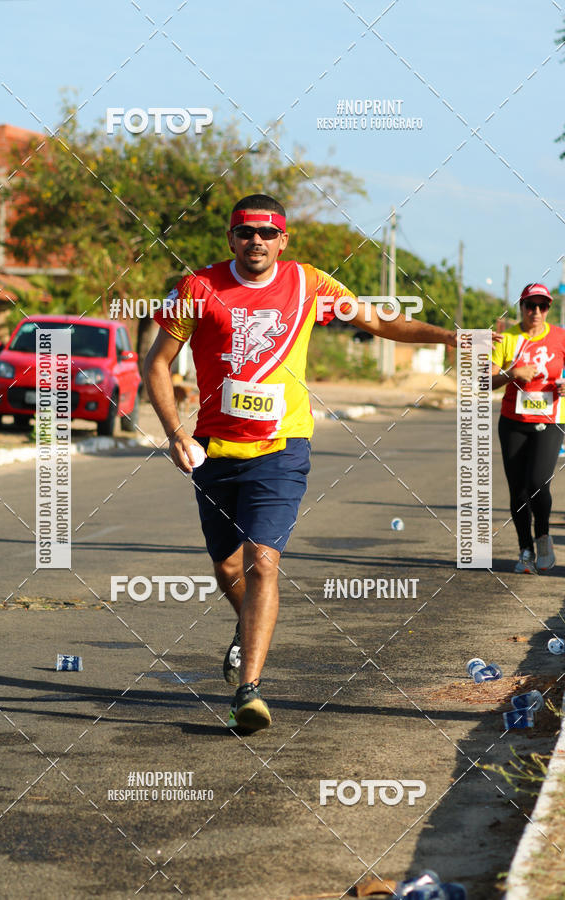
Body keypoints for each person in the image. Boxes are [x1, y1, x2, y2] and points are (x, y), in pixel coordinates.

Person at [144, 193, 457, 732]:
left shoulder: (309, 283)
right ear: (231, 238)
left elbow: (380, 322)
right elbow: (157, 363)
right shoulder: (198, 288)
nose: (256, 240)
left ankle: (249, 691)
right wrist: (175, 434)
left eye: (267, 232)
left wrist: (450, 336)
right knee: (227, 568)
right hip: (215, 448)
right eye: (246, 232)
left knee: (263, 561)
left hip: (282, 447)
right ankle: (246, 627)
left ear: (283, 240)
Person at [491, 283, 565, 574]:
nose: (536, 311)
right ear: (521, 307)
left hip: (552, 419)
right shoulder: (507, 338)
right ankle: (525, 550)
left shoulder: (560, 336)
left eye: (542, 306)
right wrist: (512, 374)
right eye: (530, 305)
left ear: (548, 309)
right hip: (513, 422)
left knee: (537, 482)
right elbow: (485, 381)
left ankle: (543, 537)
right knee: (518, 490)